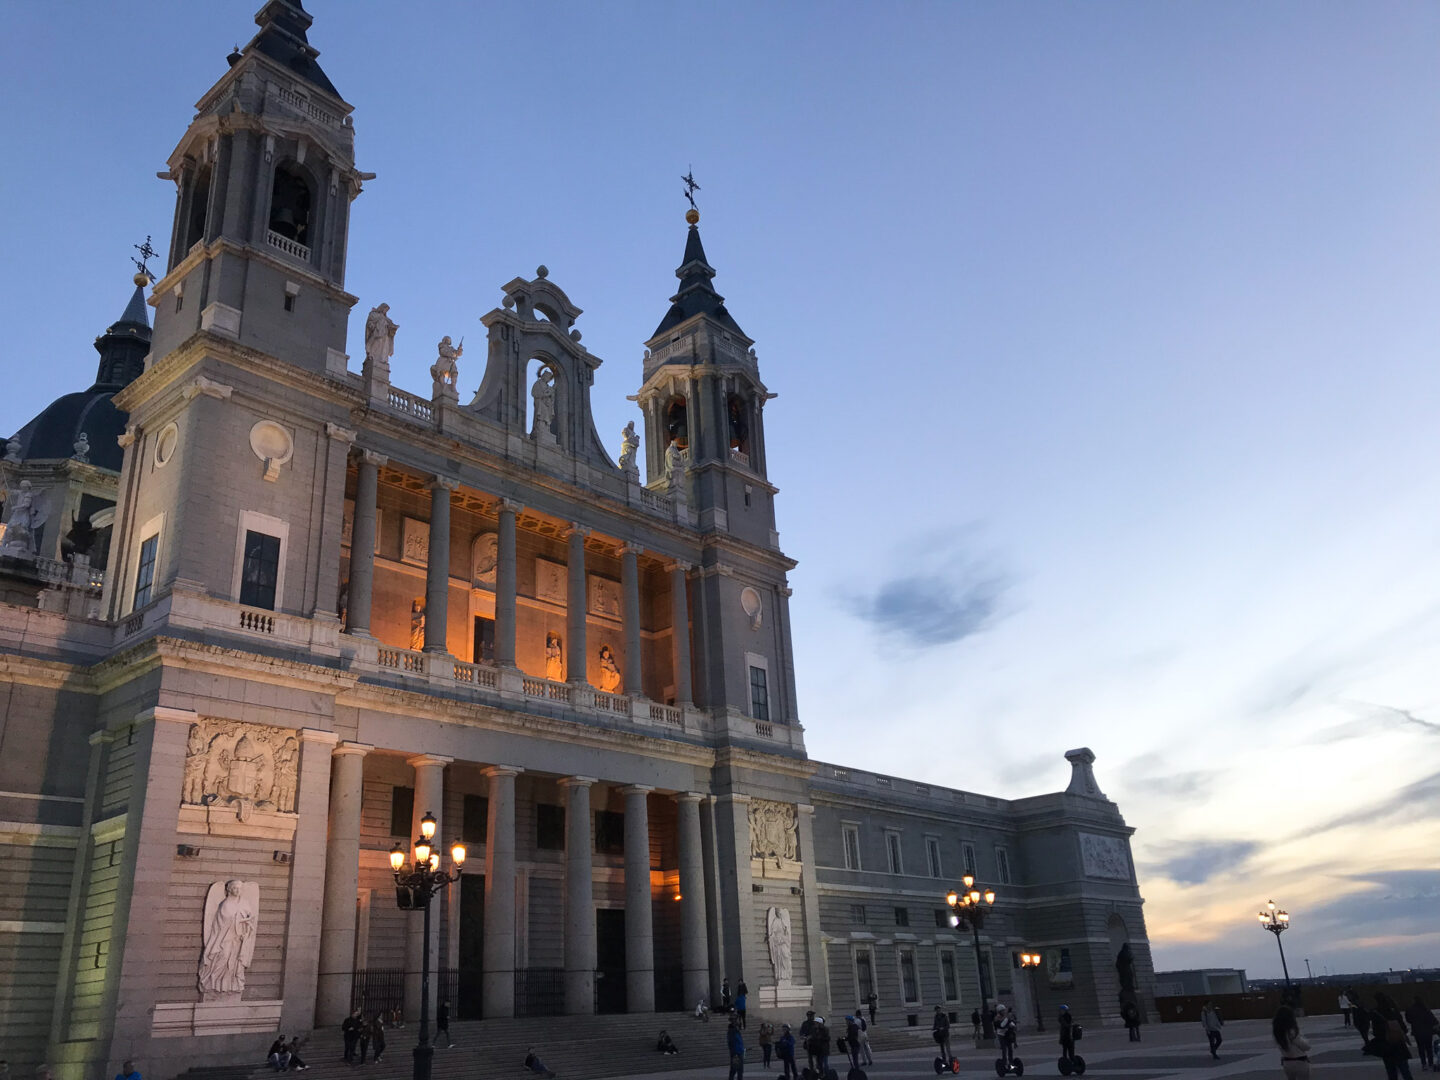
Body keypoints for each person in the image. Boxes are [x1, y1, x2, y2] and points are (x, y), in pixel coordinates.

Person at [1370, 993, 1415, 1080]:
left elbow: (1376, 1032)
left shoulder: (1375, 1013)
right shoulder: (1394, 1012)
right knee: (1405, 1070)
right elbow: (1404, 1029)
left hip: (1386, 1046)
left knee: (1391, 1072)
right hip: (1399, 1044)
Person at [1274, 1006, 1311, 1080]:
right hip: (1300, 1061)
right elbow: (1306, 1046)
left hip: (1286, 1062)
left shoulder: (1277, 1033)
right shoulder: (1291, 1032)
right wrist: (1305, 1040)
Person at [1404, 997, 1435, 1073]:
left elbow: (1408, 1019)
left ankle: (1424, 1064)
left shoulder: (1410, 1010)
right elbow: (1432, 1019)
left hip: (1418, 1032)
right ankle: (1431, 1063)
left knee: (1421, 1049)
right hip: (1428, 1031)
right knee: (1429, 1048)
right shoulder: (1426, 1009)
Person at [809, 1016, 831, 1080]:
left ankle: (827, 1075)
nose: (815, 1024)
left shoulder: (825, 1029)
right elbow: (813, 1037)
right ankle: (820, 1075)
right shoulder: (814, 1029)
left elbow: (828, 1038)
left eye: (816, 1023)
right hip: (817, 1049)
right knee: (819, 1063)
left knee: (824, 1063)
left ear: (820, 1023)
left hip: (824, 1049)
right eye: (815, 1023)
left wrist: (820, 1038)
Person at [729, 1015, 747, 1080]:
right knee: (734, 1069)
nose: (737, 1022)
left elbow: (739, 1042)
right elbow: (731, 1043)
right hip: (736, 1053)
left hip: (740, 1052)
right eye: (735, 1021)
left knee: (739, 1070)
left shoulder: (737, 1031)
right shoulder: (732, 1031)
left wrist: (743, 1049)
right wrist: (734, 1053)